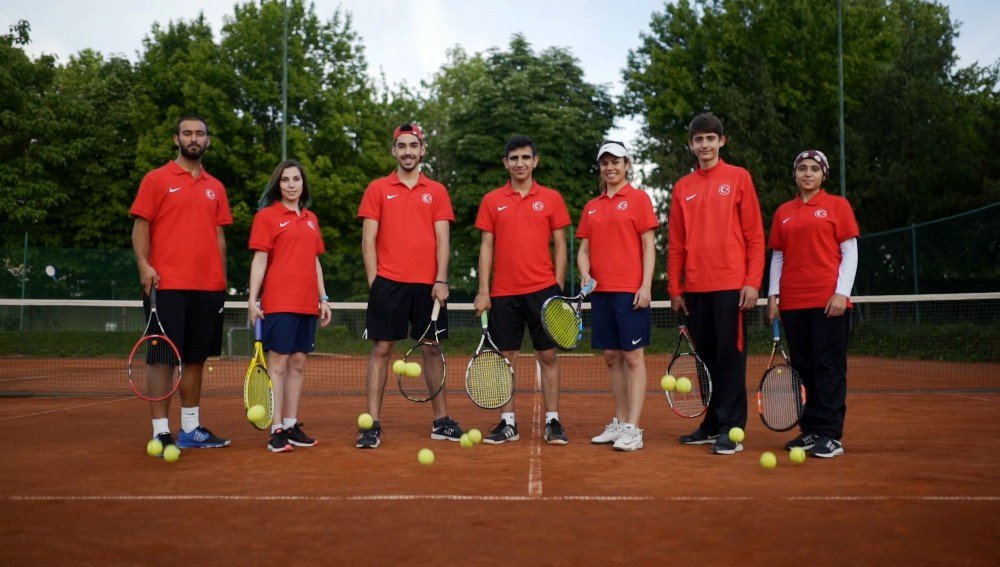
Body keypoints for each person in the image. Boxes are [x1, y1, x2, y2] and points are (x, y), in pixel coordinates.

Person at [355, 122, 463, 448]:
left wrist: (441, 280)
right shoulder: (377, 189)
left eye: (412, 146)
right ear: (394, 151)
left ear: (422, 150)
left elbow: (443, 240)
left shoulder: (438, 191)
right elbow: (368, 239)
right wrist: (375, 282)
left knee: (432, 350)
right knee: (382, 349)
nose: (407, 152)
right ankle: (371, 424)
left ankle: (441, 422)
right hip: (389, 284)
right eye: (401, 147)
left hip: (428, 287)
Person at [130, 114, 232, 452]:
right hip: (165, 285)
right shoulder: (156, 179)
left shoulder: (215, 187)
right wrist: (144, 265)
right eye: (187, 133)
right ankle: (161, 430)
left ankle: (190, 429)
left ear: (207, 141)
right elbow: (141, 226)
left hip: (207, 288)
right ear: (176, 139)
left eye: (200, 133)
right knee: (162, 359)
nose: (193, 138)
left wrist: (222, 279)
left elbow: (219, 236)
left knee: (195, 358)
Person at [668, 113, 765, 455]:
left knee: (730, 358)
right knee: (704, 360)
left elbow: (754, 236)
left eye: (711, 138)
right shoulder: (682, 187)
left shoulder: (739, 178)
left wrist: (752, 282)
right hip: (695, 289)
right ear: (691, 145)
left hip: (730, 287)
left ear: (722, 141)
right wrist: (675, 289)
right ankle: (711, 424)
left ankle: (731, 428)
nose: (705, 145)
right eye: (698, 140)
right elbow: (676, 242)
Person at [473, 136, 572, 445]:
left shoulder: (552, 198)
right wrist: (483, 290)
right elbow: (486, 246)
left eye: (525, 157)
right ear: (506, 163)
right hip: (503, 292)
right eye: (513, 158)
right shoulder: (492, 200)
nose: (520, 163)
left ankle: (553, 421)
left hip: (543, 291)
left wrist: (556, 287)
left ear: (535, 161)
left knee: (548, 354)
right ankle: (507, 423)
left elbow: (560, 244)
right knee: (506, 358)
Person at [767, 150, 858, 458]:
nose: (807, 174)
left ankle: (831, 435)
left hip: (828, 302)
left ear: (823, 175)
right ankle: (811, 430)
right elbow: (778, 256)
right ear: (795, 174)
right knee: (803, 368)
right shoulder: (783, 212)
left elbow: (850, 252)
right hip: (793, 303)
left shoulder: (837, 206)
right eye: (802, 169)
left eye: (814, 169)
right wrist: (773, 297)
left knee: (828, 367)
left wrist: (841, 293)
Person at [578, 141, 658, 452]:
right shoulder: (592, 206)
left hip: (630, 291)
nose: (610, 167)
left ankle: (633, 429)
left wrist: (646, 285)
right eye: (605, 163)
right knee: (612, 358)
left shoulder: (639, 200)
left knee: (633, 358)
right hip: (601, 293)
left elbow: (649, 246)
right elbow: (584, 250)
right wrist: (585, 273)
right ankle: (620, 420)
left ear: (627, 165)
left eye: (616, 162)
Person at [247, 160, 332, 453]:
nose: (292, 184)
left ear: (302, 184)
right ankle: (276, 430)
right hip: (279, 301)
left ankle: (292, 424)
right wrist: (251, 299)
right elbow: (259, 259)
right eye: (286, 180)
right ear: (278, 184)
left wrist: (323, 298)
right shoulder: (267, 217)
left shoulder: (311, 219)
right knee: (279, 365)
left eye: (296, 179)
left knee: (298, 363)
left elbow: (314, 260)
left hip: (307, 302)